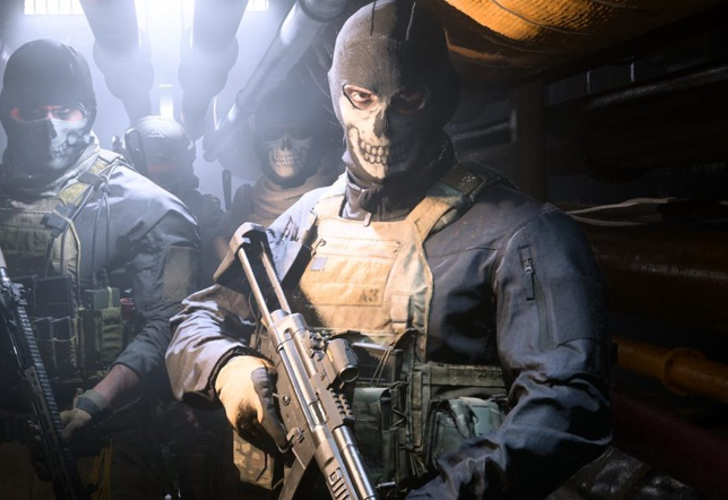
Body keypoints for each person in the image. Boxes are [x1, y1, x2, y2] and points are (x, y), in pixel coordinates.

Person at [165, 2, 612, 499]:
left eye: (408, 100)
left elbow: (567, 407)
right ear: (337, 98)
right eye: (361, 97)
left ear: (442, 99)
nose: (380, 127)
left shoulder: (523, 234)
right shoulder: (305, 219)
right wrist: (227, 369)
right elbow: (196, 320)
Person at [0, 39, 199, 499]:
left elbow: (171, 326)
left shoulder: (152, 209)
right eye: (30, 112)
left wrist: (97, 402)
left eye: (64, 111)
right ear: (6, 112)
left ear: (88, 112)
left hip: (110, 449)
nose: (48, 126)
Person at [212, 85, 342, 261]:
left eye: (299, 133)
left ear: (318, 139)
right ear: (259, 143)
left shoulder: (337, 199)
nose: (285, 145)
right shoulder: (244, 203)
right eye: (272, 134)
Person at [124, 115, 225, 283]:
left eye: (166, 175)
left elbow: (227, 270)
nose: (155, 186)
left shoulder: (202, 213)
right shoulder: (113, 214)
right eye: (146, 177)